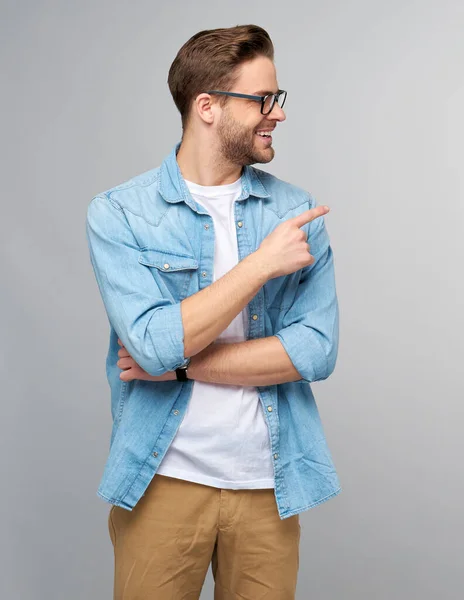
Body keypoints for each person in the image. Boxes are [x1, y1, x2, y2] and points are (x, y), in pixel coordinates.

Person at [85, 24, 341, 599]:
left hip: (268, 485)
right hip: (163, 481)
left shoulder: (297, 212)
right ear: (207, 106)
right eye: (262, 100)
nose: (277, 113)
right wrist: (259, 265)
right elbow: (149, 343)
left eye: (278, 98)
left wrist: (180, 366)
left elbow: (316, 350)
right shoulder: (120, 214)